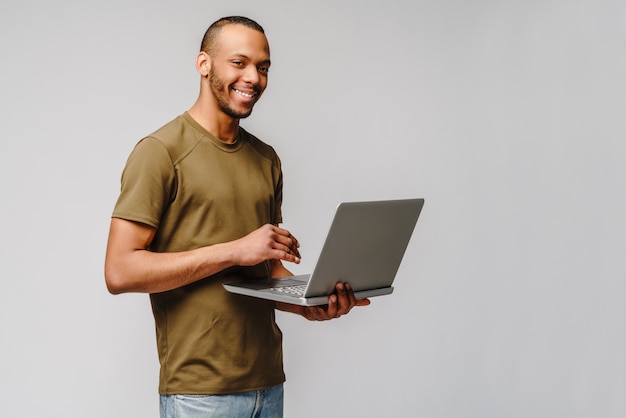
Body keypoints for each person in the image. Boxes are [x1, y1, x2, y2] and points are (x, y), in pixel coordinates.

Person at [104, 16, 369, 418]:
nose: (254, 77)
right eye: (239, 62)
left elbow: (269, 272)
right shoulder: (160, 152)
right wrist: (236, 250)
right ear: (203, 63)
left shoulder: (266, 159)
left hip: (268, 384)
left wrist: (311, 303)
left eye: (263, 67)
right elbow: (119, 271)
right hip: (199, 394)